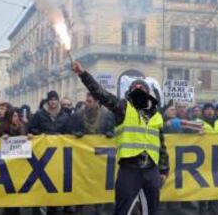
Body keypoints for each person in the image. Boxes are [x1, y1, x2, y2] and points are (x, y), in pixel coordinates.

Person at [72, 61, 169, 215]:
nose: (138, 91)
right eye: (134, 89)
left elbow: (161, 144)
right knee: (123, 210)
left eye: (142, 89)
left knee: (151, 210)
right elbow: (101, 94)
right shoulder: (123, 108)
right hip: (130, 170)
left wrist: (164, 170)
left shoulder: (156, 115)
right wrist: (83, 74)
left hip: (151, 170)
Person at [70, 92, 115, 214]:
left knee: (99, 181)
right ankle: (79, 207)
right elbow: (71, 130)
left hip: (100, 156)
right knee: (82, 181)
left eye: (89, 101)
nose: (86, 103)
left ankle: (98, 207)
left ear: (97, 103)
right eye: (86, 100)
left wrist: (110, 134)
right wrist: (76, 133)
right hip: (83, 156)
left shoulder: (107, 115)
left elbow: (112, 130)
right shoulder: (78, 115)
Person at [198, 103, 218, 215]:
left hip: (216, 157)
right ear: (203, 112)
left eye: (211, 109)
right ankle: (202, 207)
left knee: (216, 182)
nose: (210, 111)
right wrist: (196, 133)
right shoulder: (199, 122)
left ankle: (214, 206)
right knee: (202, 184)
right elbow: (188, 134)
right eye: (207, 109)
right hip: (203, 158)